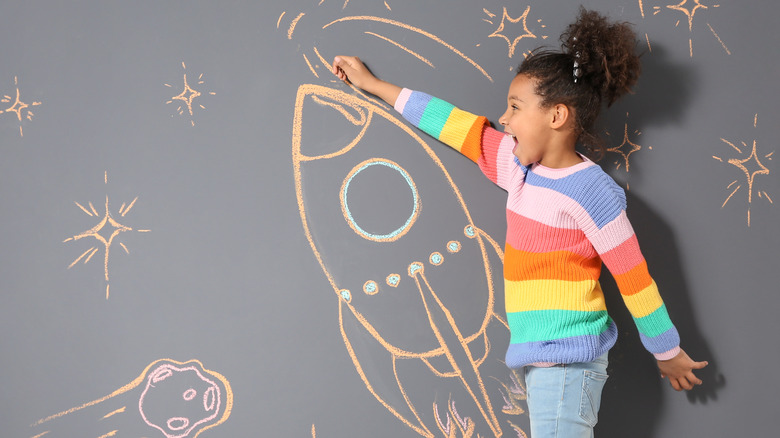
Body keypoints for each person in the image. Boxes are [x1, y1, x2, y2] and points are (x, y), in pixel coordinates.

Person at [331, 7, 708, 437]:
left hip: (569, 363)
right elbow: (455, 125)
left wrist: (666, 349)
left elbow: (634, 278)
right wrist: (374, 86)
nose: (504, 119)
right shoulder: (518, 168)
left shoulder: (593, 193)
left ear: (556, 116)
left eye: (515, 107)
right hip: (542, 362)